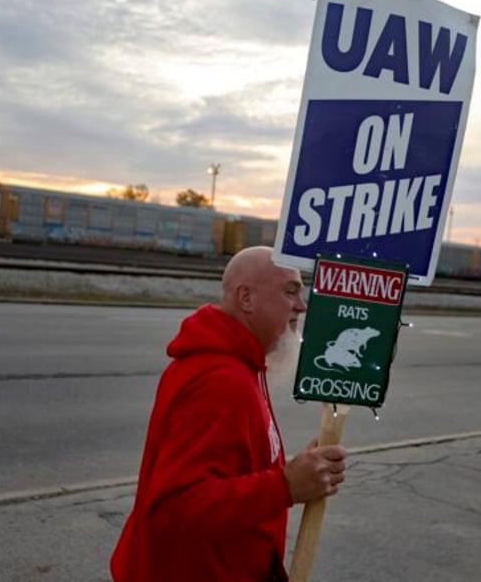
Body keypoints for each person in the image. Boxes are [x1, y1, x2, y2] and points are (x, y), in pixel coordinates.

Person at [110, 246, 347, 581]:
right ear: (246, 298)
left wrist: (298, 471)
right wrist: (285, 485)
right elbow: (175, 507)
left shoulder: (242, 364)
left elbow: (230, 466)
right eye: (290, 291)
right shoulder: (220, 381)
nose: (302, 305)